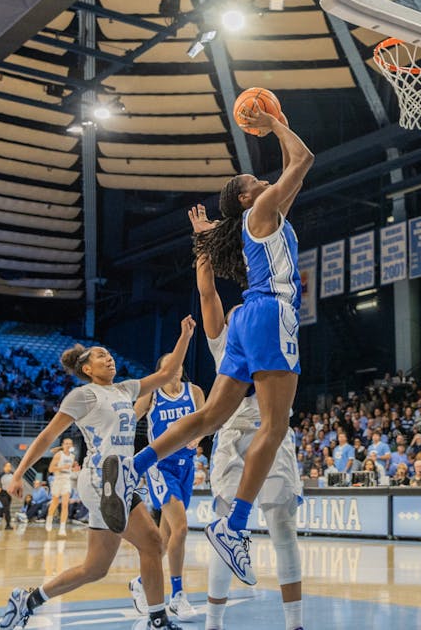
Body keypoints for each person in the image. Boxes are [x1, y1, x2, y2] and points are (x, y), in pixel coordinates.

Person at [101, 107, 314, 587]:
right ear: (245, 196)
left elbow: (292, 175)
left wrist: (203, 241)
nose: (267, 181)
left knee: (208, 418)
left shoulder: (263, 216)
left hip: (246, 321)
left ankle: (131, 469)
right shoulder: (260, 211)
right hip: (272, 312)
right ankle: (234, 525)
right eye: (258, 180)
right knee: (275, 426)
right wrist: (277, 121)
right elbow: (303, 160)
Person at [0, 317, 195, 630]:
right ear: (87, 369)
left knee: (96, 567)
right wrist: (21, 472)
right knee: (153, 543)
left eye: (109, 354)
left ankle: (29, 599)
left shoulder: (125, 390)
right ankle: (158, 620)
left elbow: (167, 373)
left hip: (122, 478)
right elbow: (48, 435)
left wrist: (184, 335)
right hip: (102, 477)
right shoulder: (84, 395)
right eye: (101, 355)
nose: (109, 358)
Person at [180, 204, 305, 630]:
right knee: (224, 529)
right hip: (233, 435)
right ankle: (214, 622)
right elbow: (207, 291)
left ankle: (295, 624)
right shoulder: (224, 337)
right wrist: (201, 243)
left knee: (282, 528)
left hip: (271, 430)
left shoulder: (275, 318)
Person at [130, 356, 205, 622]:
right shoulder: (152, 394)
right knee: (182, 528)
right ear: (161, 369)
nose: (176, 366)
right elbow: (131, 418)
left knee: (166, 537)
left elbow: (205, 422)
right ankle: (177, 595)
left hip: (186, 466)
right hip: (160, 466)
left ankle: (140, 582)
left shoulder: (194, 391)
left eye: (179, 362)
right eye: (169, 363)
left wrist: (198, 437)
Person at [46, 438, 79, 537]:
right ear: (63, 444)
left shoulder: (72, 456)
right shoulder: (58, 455)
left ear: (72, 445)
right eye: (66, 443)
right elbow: (51, 469)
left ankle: (62, 528)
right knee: (55, 503)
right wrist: (62, 467)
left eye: (70, 443)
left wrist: (74, 469)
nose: (68, 445)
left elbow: (70, 469)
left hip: (66, 481)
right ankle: (49, 518)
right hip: (57, 480)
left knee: (65, 505)